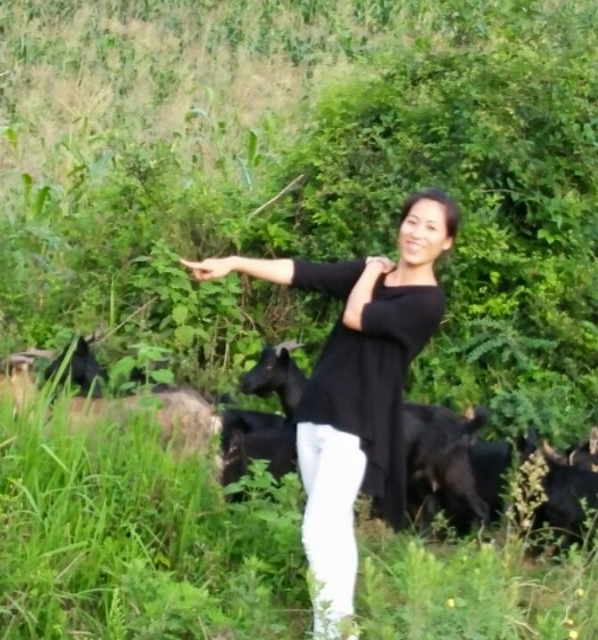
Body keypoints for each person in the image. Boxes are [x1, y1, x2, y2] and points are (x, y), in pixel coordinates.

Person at [181, 187, 459, 639]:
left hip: (358, 426)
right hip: (316, 415)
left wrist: (370, 272)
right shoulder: (373, 274)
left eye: (431, 227)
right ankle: (338, 631)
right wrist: (234, 263)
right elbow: (301, 272)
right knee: (334, 532)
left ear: (446, 241)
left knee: (316, 531)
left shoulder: (427, 301)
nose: (416, 233)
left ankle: (331, 633)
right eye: (412, 221)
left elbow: (356, 316)